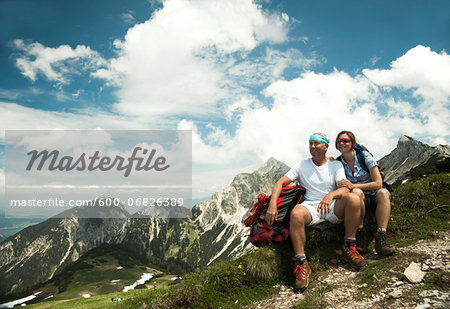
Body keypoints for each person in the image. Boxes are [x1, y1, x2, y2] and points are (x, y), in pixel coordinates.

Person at [266, 133, 367, 292]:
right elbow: (280, 183)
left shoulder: (335, 165)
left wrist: (331, 195)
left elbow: (344, 187)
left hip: (332, 205)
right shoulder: (301, 165)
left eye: (317, 144)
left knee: (354, 199)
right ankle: (301, 263)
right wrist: (272, 205)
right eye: (311, 143)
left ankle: (349, 247)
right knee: (296, 214)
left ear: (326, 146)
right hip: (311, 206)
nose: (313, 146)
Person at [335, 130, 395, 256]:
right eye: (339, 141)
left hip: (374, 193)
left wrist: (353, 185)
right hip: (359, 198)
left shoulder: (364, 156)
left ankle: (381, 237)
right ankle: (360, 234)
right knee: (356, 192)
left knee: (383, 193)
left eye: (345, 140)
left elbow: (378, 183)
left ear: (353, 143)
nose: (342, 143)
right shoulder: (338, 163)